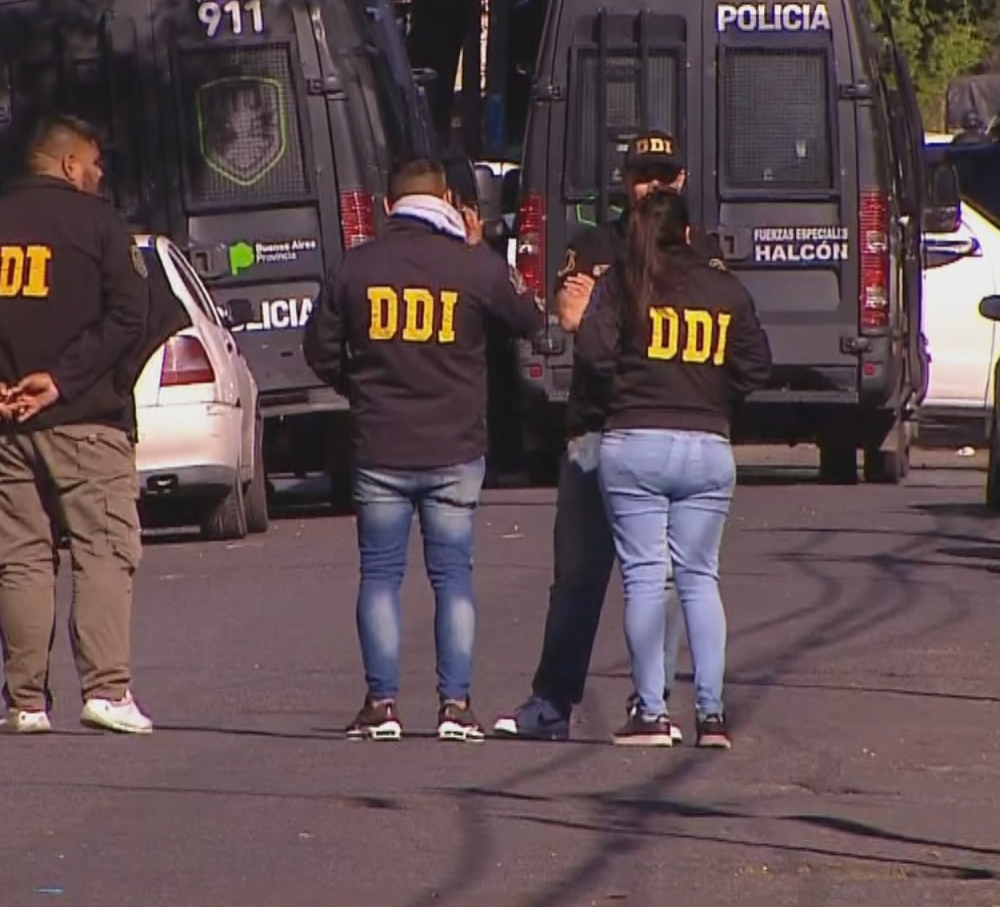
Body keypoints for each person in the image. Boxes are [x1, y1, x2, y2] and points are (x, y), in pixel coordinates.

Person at [0, 114, 153, 737]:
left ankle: (26, 702)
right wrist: (62, 379)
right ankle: (107, 690)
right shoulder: (100, 226)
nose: (100, 177)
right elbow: (131, 315)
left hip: (4, 429)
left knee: (20, 559)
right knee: (103, 551)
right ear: (70, 165)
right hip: (86, 423)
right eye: (95, 165)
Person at [304, 156, 543, 743]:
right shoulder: (471, 266)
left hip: (380, 442)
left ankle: (381, 705)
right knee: (453, 577)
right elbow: (528, 318)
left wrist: (358, 387)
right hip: (455, 446)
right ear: (446, 200)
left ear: (389, 206)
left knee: (381, 576)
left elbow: (319, 349)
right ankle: (455, 706)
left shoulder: (355, 268)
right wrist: (481, 244)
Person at [492, 131, 693, 742]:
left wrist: (605, 314)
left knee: (659, 579)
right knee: (576, 576)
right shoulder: (593, 243)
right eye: (642, 175)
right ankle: (552, 704)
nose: (652, 186)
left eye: (664, 175)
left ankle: (650, 706)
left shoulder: (693, 247)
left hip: (661, 430)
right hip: (593, 432)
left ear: (679, 181)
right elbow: (568, 313)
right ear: (624, 180)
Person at [574, 189, 772, 748]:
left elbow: (592, 353)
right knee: (700, 578)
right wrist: (716, 394)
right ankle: (712, 715)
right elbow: (757, 364)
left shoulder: (622, 283)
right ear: (688, 234)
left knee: (643, 574)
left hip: (635, 439)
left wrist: (625, 390)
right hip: (707, 443)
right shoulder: (723, 289)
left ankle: (652, 712)